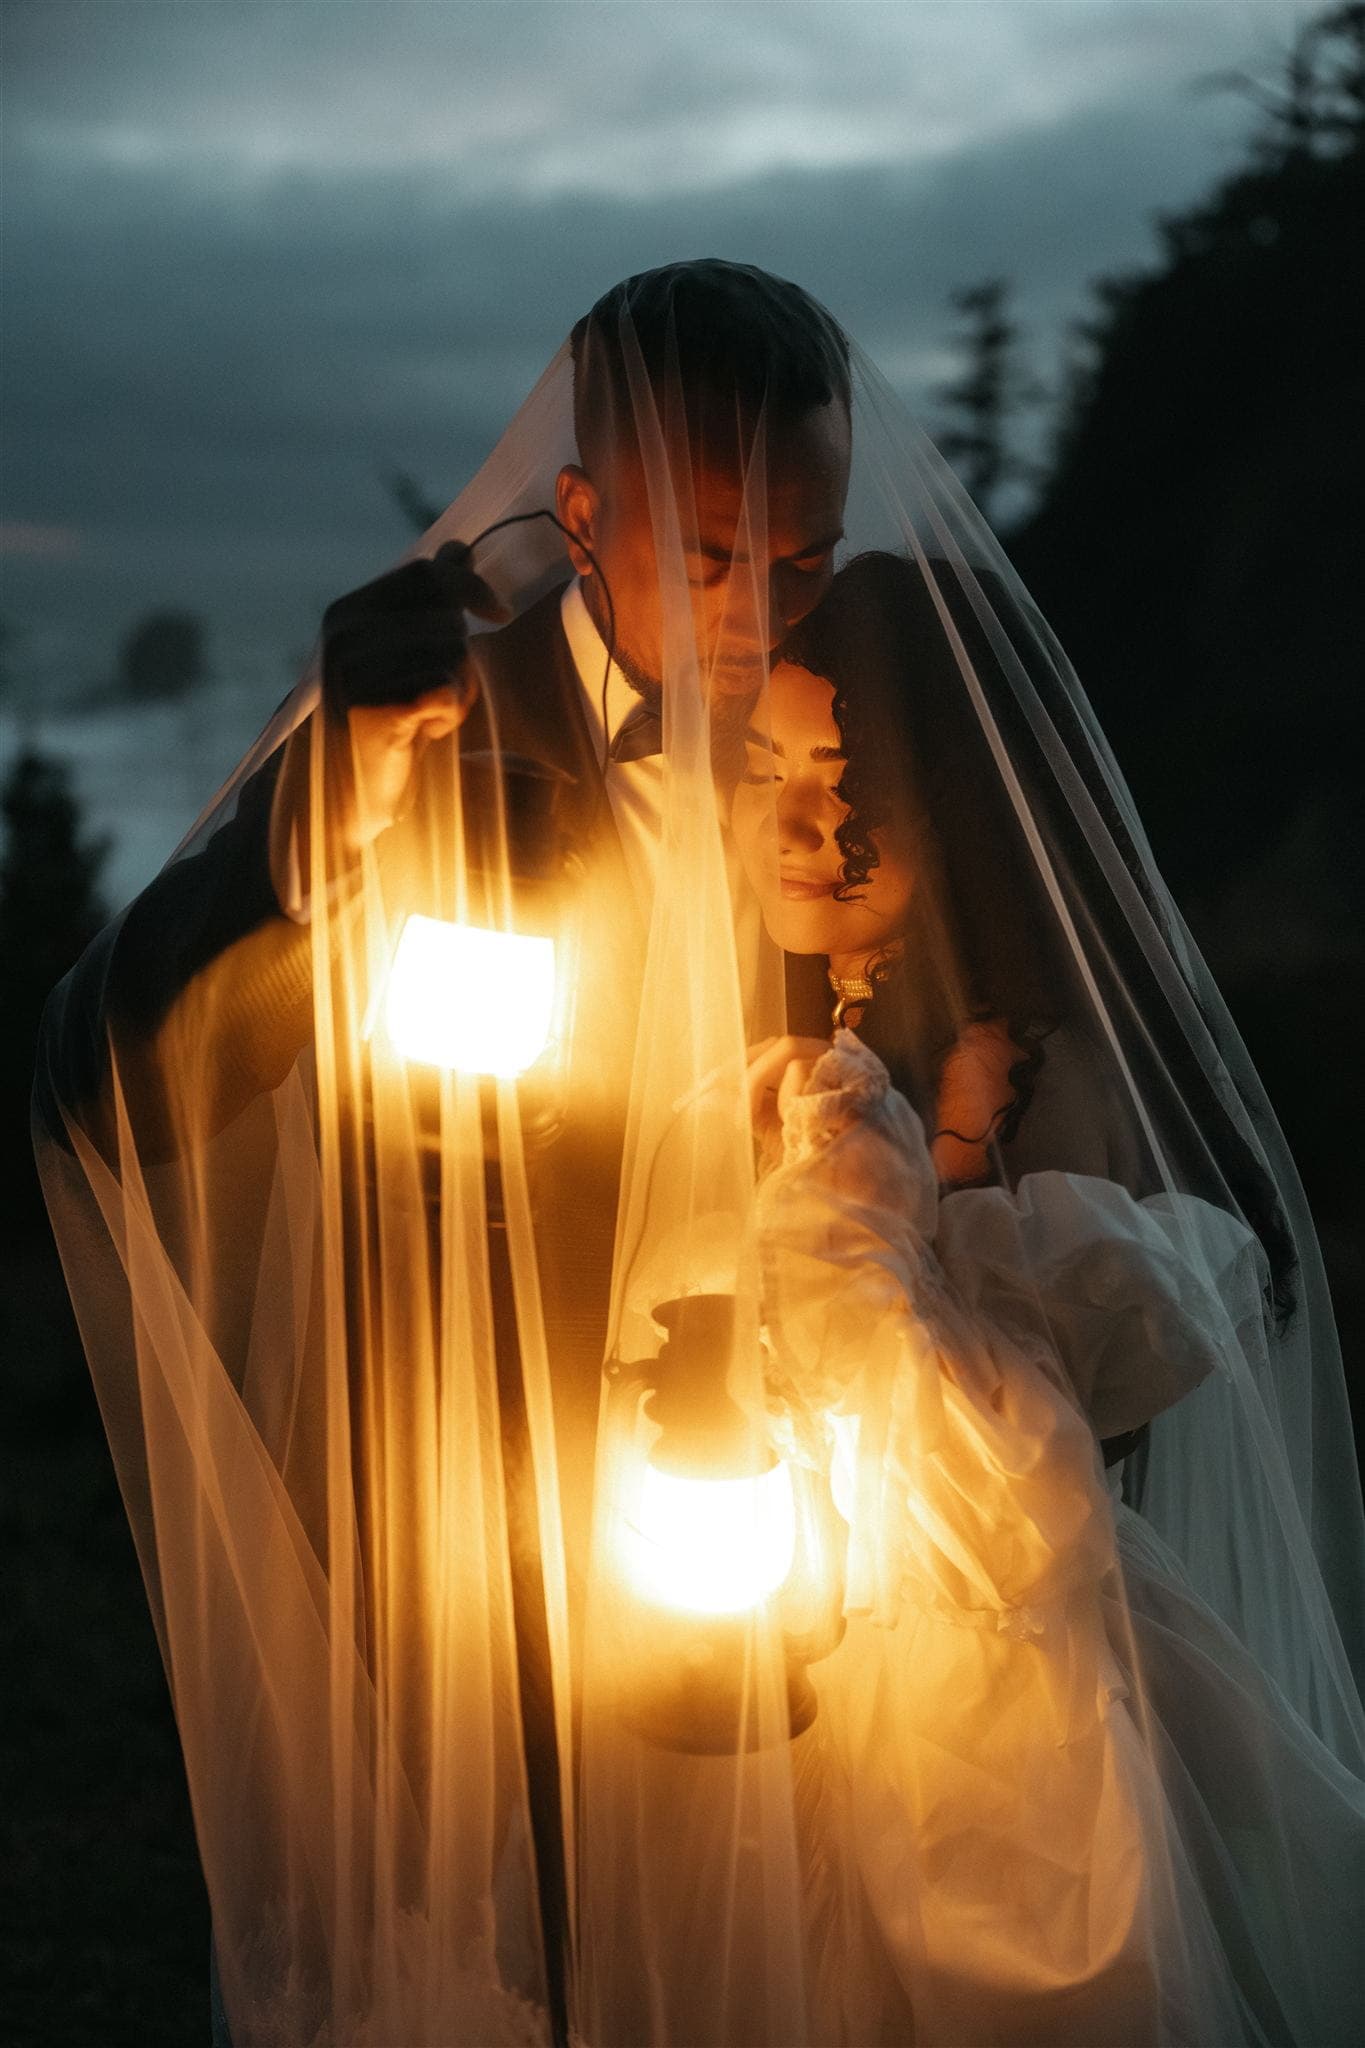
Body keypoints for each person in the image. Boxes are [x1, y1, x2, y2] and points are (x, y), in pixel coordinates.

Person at [35, 269, 1365, 2046]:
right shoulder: (430, 730)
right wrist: (328, 813)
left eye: (802, 558)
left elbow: (1072, 1088)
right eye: (713, 557)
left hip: (796, 1548)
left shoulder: (847, 728)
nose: (757, 618)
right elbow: (104, 1066)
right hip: (494, 1538)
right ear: (579, 518)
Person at [735, 550, 1365, 2042]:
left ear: (958, 794)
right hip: (842, 1654)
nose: (799, 827)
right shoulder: (824, 1033)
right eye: (763, 770)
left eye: (848, 777)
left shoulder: (1011, 1074)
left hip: (995, 1711)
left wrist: (839, 1231)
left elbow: (1010, 1458)